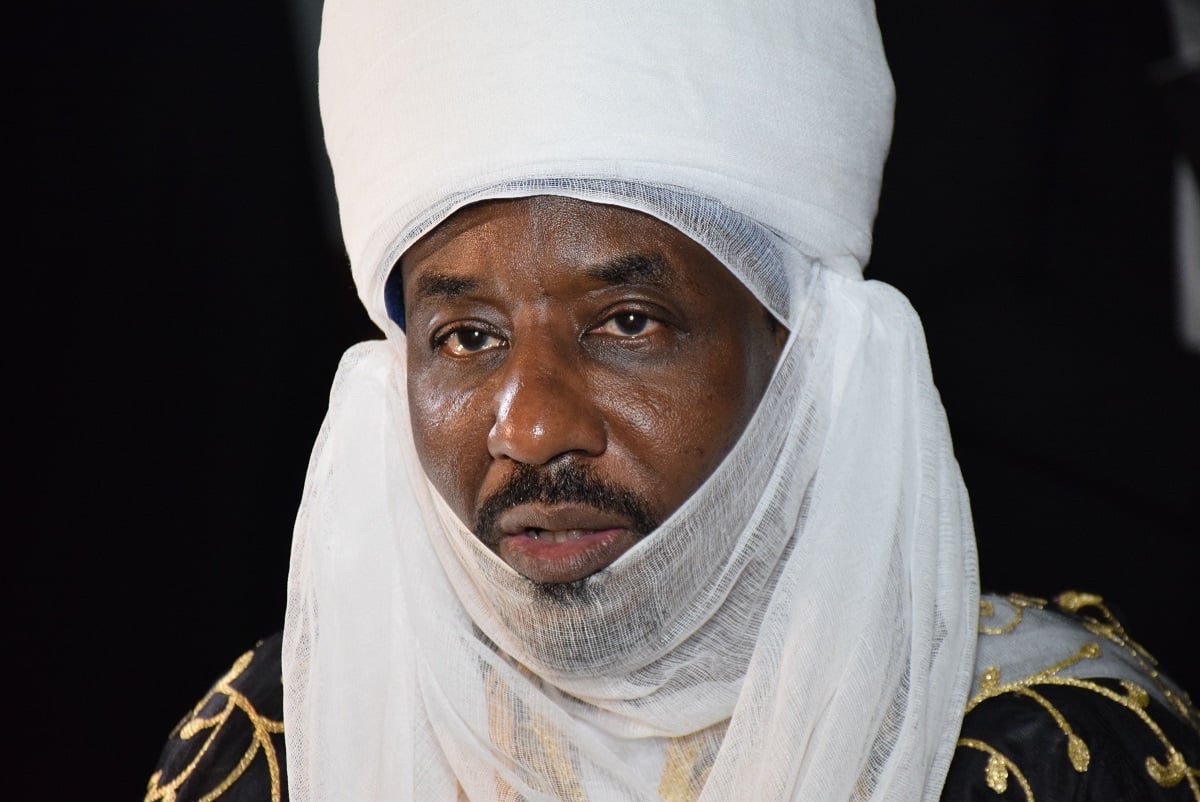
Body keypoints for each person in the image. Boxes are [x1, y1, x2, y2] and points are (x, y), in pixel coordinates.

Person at [144, 0, 1200, 800]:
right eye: (467, 338)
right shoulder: (280, 743)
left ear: (800, 351)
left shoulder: (1038, 749)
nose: (532, 427)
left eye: (628, 324)